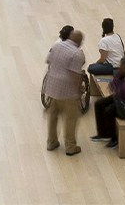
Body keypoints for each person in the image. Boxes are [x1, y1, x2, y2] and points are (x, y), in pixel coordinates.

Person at [42, 26, 87, 156]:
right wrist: (79, 90)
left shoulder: (57, 46)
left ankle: (51, 142)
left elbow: (48, 61)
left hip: (52, 87)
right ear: (79, 42)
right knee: (70, 119)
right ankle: (70, 147)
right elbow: (75, 76)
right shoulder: (77, 53)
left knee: (52, 116)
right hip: (67, 92)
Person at [91, 55, 125, 149]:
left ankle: (114, 139)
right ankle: (103, 134)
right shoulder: (121, 74)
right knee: (99, 104)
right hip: (120, 99)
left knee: (109, 110)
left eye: (122, 67)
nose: (120, 68)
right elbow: (113, 85)